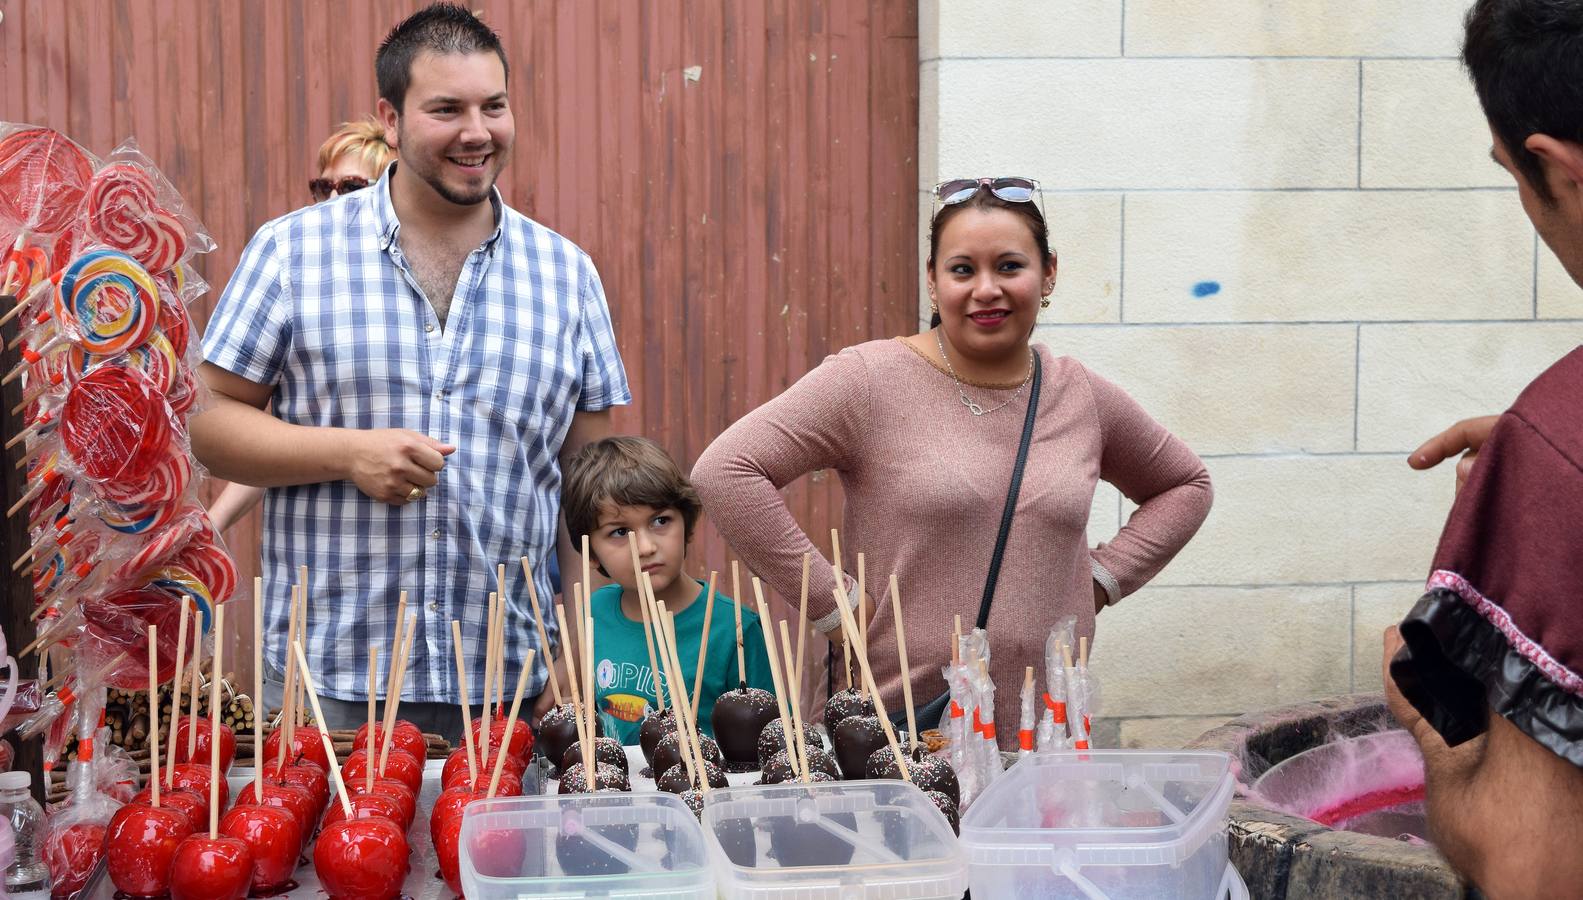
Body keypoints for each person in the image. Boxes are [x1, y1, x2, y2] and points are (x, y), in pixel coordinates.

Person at [192, 3, 630, 737]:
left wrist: (581, 645)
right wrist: (347, 452)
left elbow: (588, 490)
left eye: (494, 106)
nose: (477, 131)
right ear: (389, 121)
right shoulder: (292, 253)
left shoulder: (567, 274)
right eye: (446, 109)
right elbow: (206, 421)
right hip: (328, 685)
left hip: (509, 686)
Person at [691, 178, 1212, 744]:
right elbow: (726, 471)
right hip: (897, 733)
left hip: (1045, 735)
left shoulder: (1079, 394)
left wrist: (1100, 580)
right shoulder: (870, 381)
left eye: (1010, 266)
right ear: (933, 282)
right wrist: (832, 604)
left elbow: (1186, 484)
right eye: (962, 270)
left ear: (1049, 274)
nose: (986, 289)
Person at [1384, 0, 1583, 894]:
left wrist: (1432, 735)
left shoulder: (1558, 447)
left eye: (1510, 171)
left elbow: (1532, 869)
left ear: (1556, 167)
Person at [207, 117, 396, 536]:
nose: (331, 198)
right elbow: (277, 436)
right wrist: (212, 525)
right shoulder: (299, 274)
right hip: (330, 551)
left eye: (350, 187)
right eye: (321, 187)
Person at [562, 437, 774, 745]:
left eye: (660, 521)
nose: (646, 547)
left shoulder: (736, 630)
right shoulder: (594, 614)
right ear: (590, 552)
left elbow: (771, 741)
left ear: (687, 525)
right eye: (620, 532)